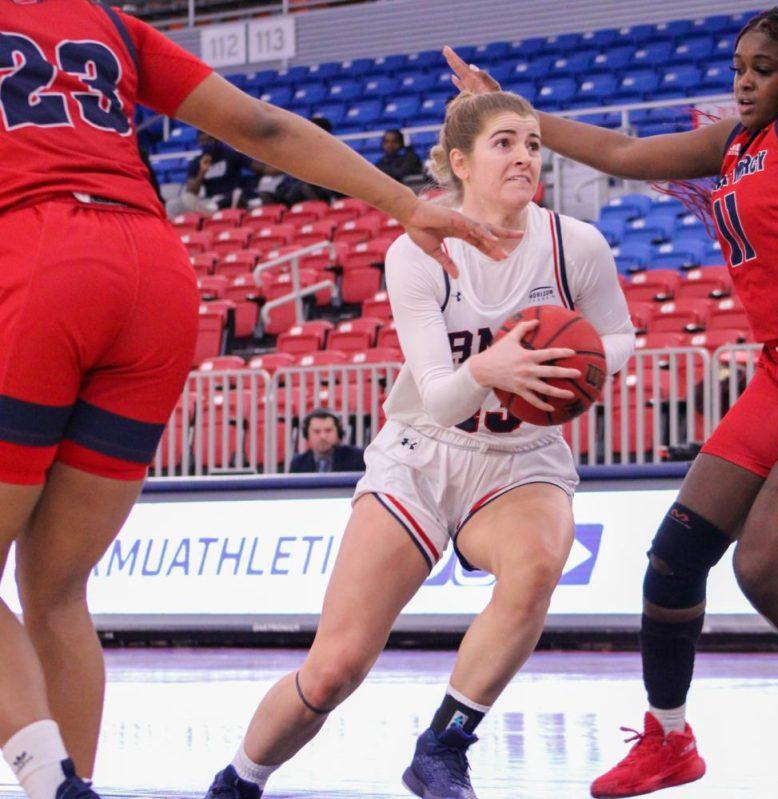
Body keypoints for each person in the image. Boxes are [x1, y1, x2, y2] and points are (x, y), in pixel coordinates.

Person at [0, 5, 518, 799]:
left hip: (37, 255)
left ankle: (53, 785)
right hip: (154, 273)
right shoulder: (108, 21)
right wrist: (406, 203)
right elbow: (265, 129)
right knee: (57, 589)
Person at [448, 3, 778, 797]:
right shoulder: (736, 141)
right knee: (675, 555)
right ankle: (670, 738)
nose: (745, 83)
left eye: (764, 69)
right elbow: (622, 150)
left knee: (764, 564)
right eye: (739, 68)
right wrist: (516, 115)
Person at [201, 89, 635, 799]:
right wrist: (488, 369)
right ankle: (239, 780)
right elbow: (438, 393)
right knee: (334, 668)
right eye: (505, 143)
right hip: (422, 453)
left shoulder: (575, 244)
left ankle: (444, 744)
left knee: (537, 566)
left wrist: (580, 368)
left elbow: (618, 335)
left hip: (521, 459)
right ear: (460, 162)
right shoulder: (418, 252)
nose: (525, 155)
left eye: (532, 142)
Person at [288, 410, 365, 473]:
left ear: (338, 432)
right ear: (307, 434)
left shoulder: (357, 458)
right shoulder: (298, 464)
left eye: (328, 431)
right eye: (317, 431)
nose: (323, 437)